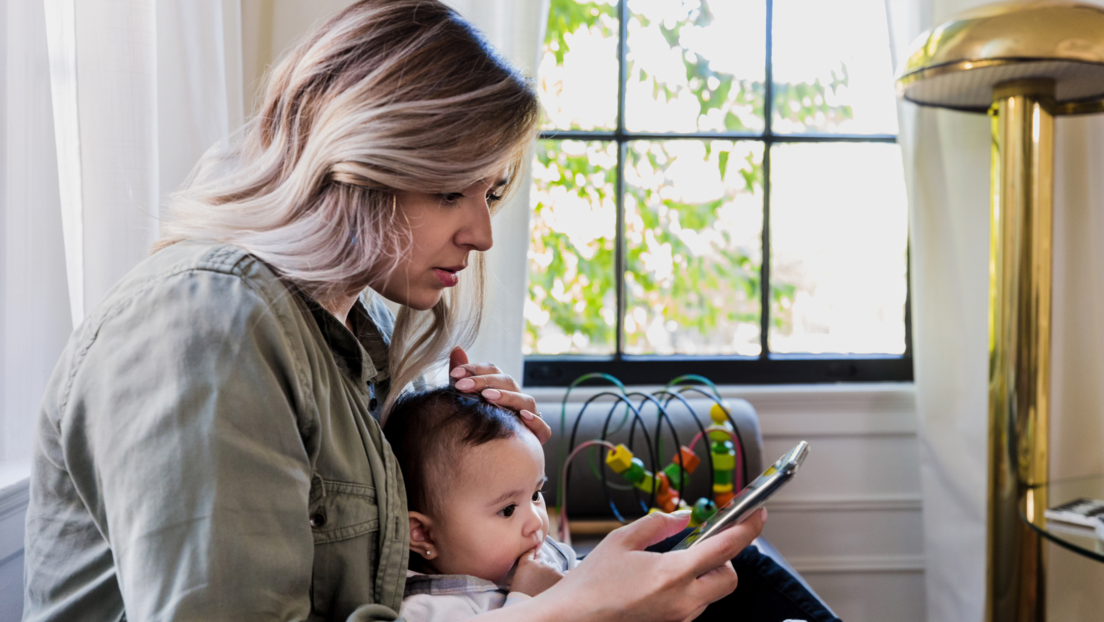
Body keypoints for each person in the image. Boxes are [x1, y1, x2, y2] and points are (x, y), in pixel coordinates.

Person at [22, 1, 838, 621]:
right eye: (451, 190)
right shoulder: (207, 328)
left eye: (488, 193)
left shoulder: (338, 336)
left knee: (747, 582)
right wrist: (569, 612)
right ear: (355, 167)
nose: (481, 232)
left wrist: (460, 450)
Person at [383, 387, 582, 621]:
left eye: (536, 495)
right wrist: (527, 602)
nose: (536, 521)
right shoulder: (427, 610)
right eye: (507, 510)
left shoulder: (543, 554)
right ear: (423, 533)